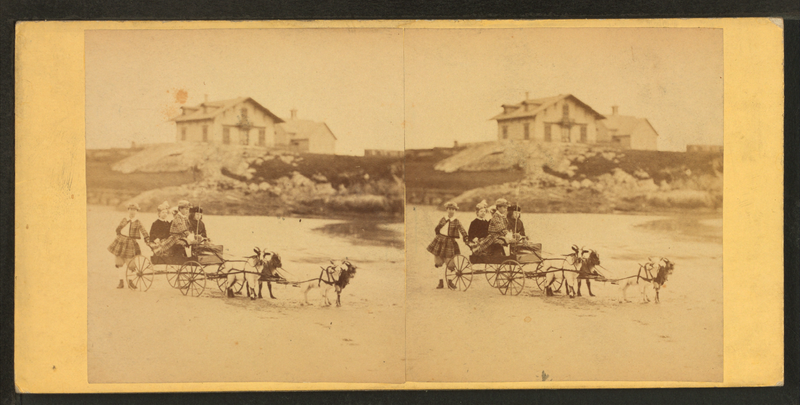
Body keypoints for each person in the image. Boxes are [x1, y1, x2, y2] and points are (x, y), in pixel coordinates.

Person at [426, 202, 469, 289]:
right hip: (440, 241)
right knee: (439, 262)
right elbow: (437, 228)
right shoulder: (443, 219)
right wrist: (438, 237)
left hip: (450, 242)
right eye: (449, 209)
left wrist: (466, 238)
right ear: (447, 209)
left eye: (453, 209)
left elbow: (462, 230)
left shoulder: (456, 221)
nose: (451, 211)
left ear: (455, 210)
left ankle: (450, 282)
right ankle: (440, 282)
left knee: (450, 263)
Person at [107, 203, 150, 289]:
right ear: (128, 210)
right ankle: (121, 282)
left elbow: (143, 231)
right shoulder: (124, 219)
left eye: (134, 210)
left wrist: (147, 239)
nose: (132, 211)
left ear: (137, 211)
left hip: (131, 243)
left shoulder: (137, 222)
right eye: (130, 209)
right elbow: (118, 228)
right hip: (121, 241)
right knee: (119, 263)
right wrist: (119, 237)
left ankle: (130, 281)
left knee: (131, 263)